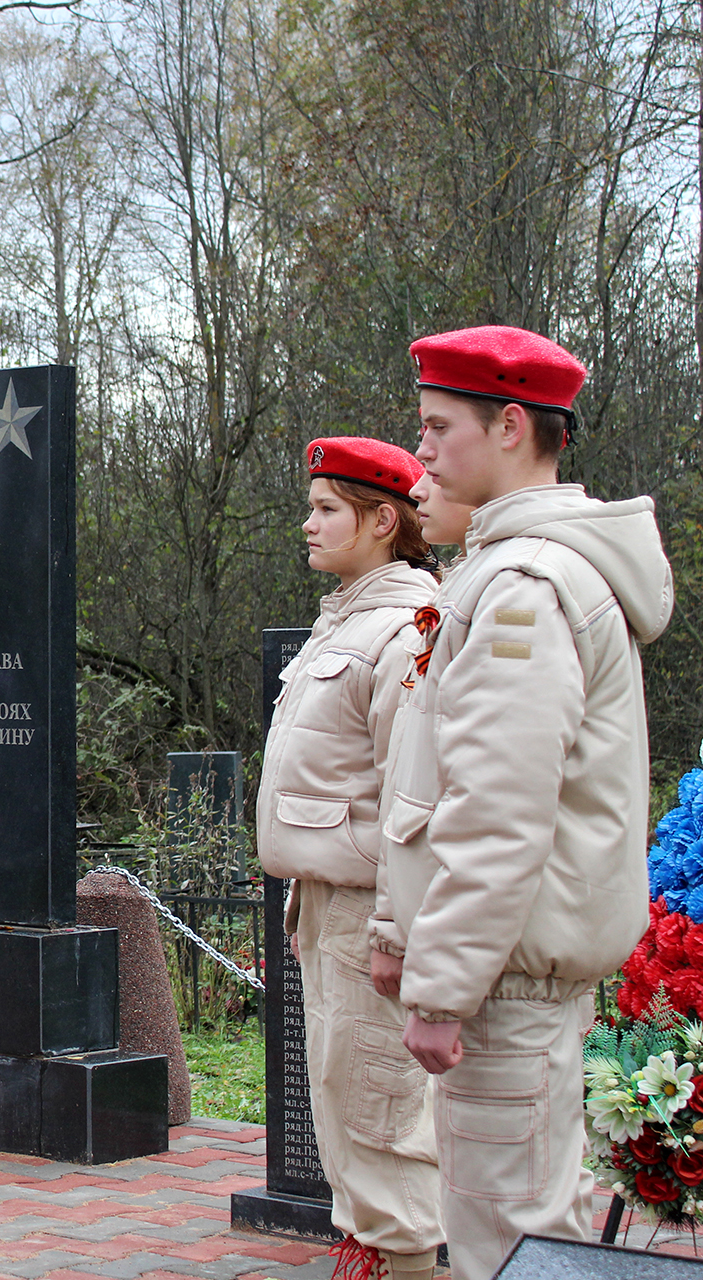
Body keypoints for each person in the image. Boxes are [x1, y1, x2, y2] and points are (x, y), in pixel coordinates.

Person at [372, 326, 673, 1278]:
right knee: (513, 1231)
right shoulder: (509, 569)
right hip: (504, 969)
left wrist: (444, 985)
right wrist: (398, 931)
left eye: (436, 425)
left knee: (510, 1244)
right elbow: (439, 783)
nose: (419, 449)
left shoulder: (523, 586)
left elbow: (500, 811)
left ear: (510, 426)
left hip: (506, 981)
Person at [257, 439, 443, 1280]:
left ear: (383, 520)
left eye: (328, 508)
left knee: (381, 1111)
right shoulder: (350, 619)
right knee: (341, 1099)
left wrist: (392, 928)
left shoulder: (405, 631)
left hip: (369, 907)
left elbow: (415, 801)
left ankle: (403, 1264)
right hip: (324, 903)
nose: (309, 522)